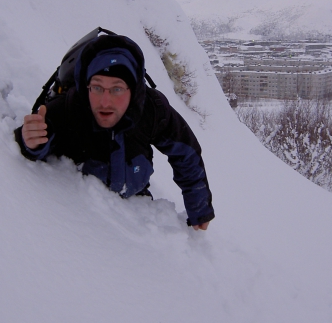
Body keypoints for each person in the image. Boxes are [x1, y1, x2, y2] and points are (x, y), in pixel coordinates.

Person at [15, 34, 214, 230]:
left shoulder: (151, 109)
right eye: (97, 87)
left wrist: (199, 207)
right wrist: (31, 142)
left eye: (117, 89)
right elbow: (38, 142)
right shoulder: (68, 109)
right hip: (80, 221)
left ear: (133, 89)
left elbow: (185, 153)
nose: (105, 102)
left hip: (138, 207)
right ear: (87, 87)